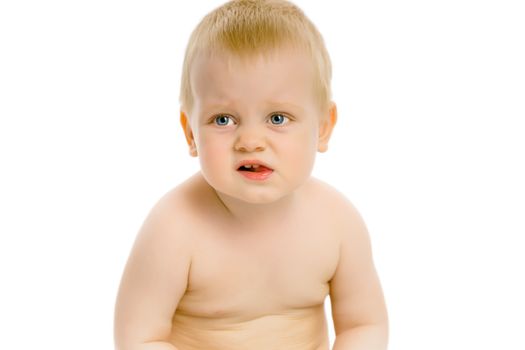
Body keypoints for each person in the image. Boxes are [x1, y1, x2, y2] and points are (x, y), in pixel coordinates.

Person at [114, 0, 388, 349]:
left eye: (277, 118)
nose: (251, 142)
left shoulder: (337, 222)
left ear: (322, 128)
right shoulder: (174, 228)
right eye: (223, 119)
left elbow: (364, 324)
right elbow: (139, 338)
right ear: (191, 133)